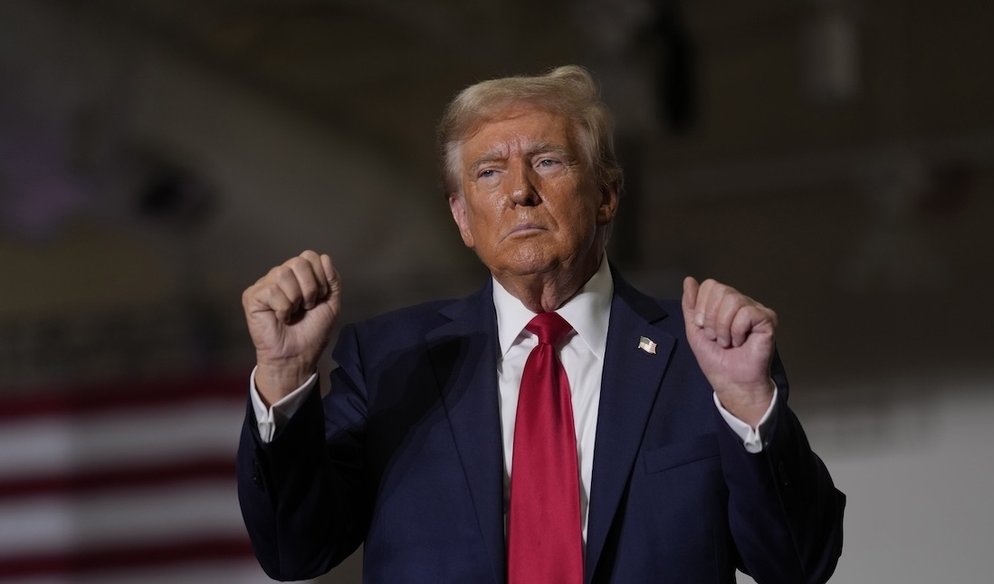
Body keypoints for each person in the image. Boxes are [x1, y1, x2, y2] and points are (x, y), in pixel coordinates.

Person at [237, 65, 844, 583]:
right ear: (462, 218)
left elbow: (798, 561)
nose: (520, 192)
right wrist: (285, 375)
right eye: (488, 172)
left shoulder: (701, 356)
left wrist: (745, 402)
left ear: (606, 194)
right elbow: (295, 550)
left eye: (547, 161)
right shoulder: (393, 361)